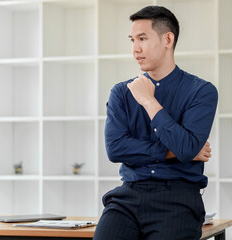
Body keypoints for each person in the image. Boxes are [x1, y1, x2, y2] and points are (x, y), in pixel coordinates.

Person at [93, 5, 218, 240]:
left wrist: (149, 101)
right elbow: (115, 149)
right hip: (127, 196)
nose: (135, 49)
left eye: (142, 38)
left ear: (167, 39)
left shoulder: (201, 91)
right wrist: (172, 151)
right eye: (132, 40)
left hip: (178, 199)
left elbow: (186, 148)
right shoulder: (121, 92)